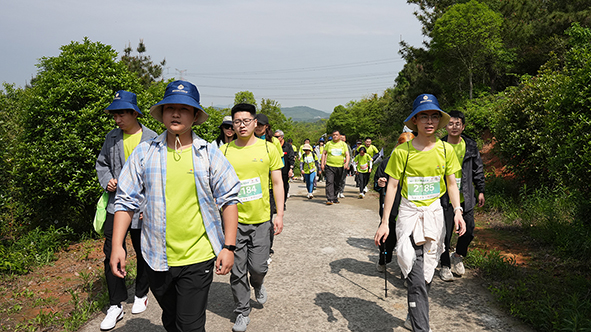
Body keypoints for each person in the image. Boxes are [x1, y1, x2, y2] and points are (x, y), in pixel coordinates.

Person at [109, 80, 241, 332]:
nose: (176, 113)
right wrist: (118, 246)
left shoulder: (209, 154)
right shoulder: (145, 152)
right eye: (170, 108)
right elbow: (125, 200)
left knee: (189, 326)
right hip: (156, 256)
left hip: (198, 256)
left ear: (194, 115)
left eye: (184, 108)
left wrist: (229, 247)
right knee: (170, 320)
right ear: (162, 113)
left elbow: (229, 200)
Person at [374, 94, 466, 332]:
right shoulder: (402, 152)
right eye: (423, 116)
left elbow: (452, 184)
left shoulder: (446, 150)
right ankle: (421, 327)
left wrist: (457, 211)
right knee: (414, 270)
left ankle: (413, 314)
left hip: (434, 215)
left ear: (440, 121)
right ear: (415, 120)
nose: (429, 121)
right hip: (409, 215)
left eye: (434, 116)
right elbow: (392, 187)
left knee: (427, 271)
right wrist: (385, 223)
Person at [95, 90, 158, 330]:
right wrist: (108, 180)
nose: (117, 119)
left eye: (121, 114)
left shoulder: (152, 139)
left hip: (144, 206)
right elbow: (102, 164)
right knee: (112, 250)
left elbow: (158, 176)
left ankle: (141, 292)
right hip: (116, 205)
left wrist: (150, 205)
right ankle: (115, 304)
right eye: (114, 115)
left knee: (143, 250)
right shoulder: (111, 138)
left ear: (134, 113)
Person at [221, 103, 285, 332]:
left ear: (255, 122)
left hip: (261, 220)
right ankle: (241, 311)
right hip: (233, 222)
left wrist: (279, 213)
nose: (241, 125)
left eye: (246, 121)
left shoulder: (269, 149)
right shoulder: (224, 152)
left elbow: (277, 183)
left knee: (258, 267)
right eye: (237, 122)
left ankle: (257, 284)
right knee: (237, 270)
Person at [439, 110, 486, 281]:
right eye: (450, 123)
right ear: (446, 126)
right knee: (445, 232)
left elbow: (477, 169)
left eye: (457, 124)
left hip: (466, 195)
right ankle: (444, 265)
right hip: (444, 196)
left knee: (469, 229)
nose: (454, 127)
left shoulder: (471, 145)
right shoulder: (439, 145)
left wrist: (481, 189)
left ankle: (457, 255)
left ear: (463, 126)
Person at [374, 132, 415, 272]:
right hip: (391, 208)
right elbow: (376, 183)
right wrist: (380, 183)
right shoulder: (387, 162)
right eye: (404, 146)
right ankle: (383, 259)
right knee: (388, 240)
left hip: (411, 208)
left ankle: (408, 272)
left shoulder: (418, 163)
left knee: (410, 241)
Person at [321, 130, 350, 205]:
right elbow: (324, 153)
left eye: (336, 135)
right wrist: (322, 163)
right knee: (329, 181)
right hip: (330, 166)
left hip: (340, 166)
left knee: (337, 182)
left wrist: (346, 163)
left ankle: (334, 197)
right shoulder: (328, 144)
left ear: (340, 136)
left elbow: (347, 155)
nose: (335, 136)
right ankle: (329, 198)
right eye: (333, 135)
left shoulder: (343, 144)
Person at [274, 130, 295, 205]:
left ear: (282, 137)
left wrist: (291, 169)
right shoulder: (272, 145)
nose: (275, 138)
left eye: (277, 137)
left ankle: (282, 203)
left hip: (285, 171)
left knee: (284, 186)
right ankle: (275, 204)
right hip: (275, 170)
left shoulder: (288, 146)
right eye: (274, 137)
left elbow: (291, 158)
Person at [337, 133, 353, 198]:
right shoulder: (336, 145)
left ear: (345, 139)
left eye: (343, 138)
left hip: (345, 165)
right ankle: (337, 191)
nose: (342, 139)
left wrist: (348, 164)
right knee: (337, 179)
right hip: (337, 165)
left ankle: (341, 192)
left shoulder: (347, 146)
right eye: (341, 138)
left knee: (343, 179)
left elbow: (350, 156)